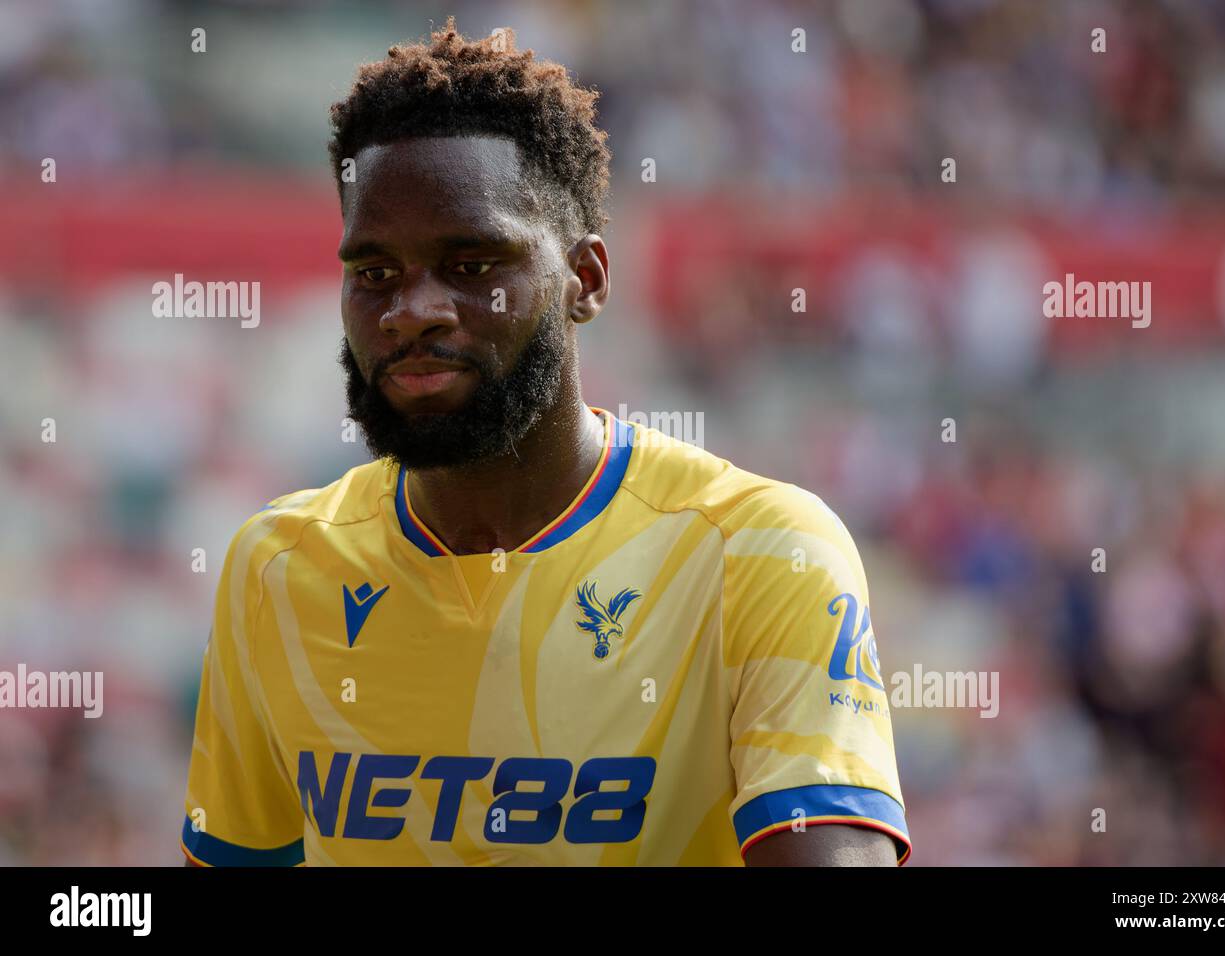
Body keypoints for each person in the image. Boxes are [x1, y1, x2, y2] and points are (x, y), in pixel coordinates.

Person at [180, 19, 908, 867]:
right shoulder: (273, 567)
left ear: (585, 280)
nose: (413, 308)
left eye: (473, 262)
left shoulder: (760, 552)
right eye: (374, 272)